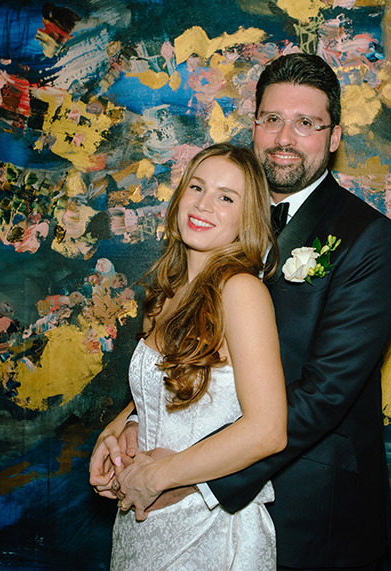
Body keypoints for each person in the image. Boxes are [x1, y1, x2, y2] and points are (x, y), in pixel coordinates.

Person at [95, 52, 391, 570]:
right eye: (272, 119)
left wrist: (193, 477)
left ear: (334, 137)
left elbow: (325, 393)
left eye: (306, 122)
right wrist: (131, 424)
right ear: (255, 125)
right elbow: (196, 354)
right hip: (177, 497)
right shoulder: (219, 217)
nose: (285, 137)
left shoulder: (371, 239)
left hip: (307, 504)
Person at [90, 143, 288, 570]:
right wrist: (119, 433)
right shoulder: (164, 293)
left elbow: (268, 430)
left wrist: (157, 476)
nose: (203, 204)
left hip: (208, 529)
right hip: (141, 522)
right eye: (196, 187)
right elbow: (162, 396)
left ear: (246, 218)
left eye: (225, 197)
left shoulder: (242, 292)